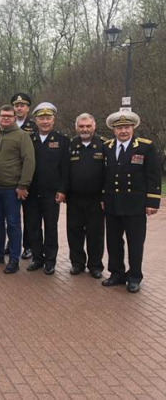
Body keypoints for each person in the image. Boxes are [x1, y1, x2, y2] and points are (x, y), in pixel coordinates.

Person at [101, 111, 161, 293]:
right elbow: (104, 176)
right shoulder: (107, 147)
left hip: (135, 204)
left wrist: (152, 201)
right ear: (113, 130)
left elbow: (153, 175)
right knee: (113, 242)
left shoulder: (145, 147)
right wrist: (103, 198)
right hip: (112, 202)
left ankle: (134, 277)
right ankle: (116, 273)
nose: (123, 131)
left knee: (135, 243)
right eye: (119, 128)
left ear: (133, 128)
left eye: (127, 127)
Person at [0, 105, 35, 274]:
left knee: (13, 224)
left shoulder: (22, 136)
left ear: (14, 118)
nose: (6, 118)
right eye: (3, 115)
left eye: (9, 116)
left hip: (11, 188)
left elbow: (29, 161)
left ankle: (14, 259)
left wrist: (23, 185)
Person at [23, 102, 70, 275]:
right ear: (35, 120)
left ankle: (50, 261)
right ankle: (37, 258)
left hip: (52, 193)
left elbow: (65, 169)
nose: (45, 122)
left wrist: (62, 190)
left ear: (53, 120)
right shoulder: (28, 139)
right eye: (41, 118)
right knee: (33, 227)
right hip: (31, 192)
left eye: (48, 118)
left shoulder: (62, 140)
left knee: (51, 228)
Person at [66, 113, 105, 278]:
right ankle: (77, 263)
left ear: (94, 126)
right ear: (76, 127)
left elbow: (109, 173)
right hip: (74, 198)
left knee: (95, 233)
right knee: (74, 231)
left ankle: (95, 265)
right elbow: (65, 171)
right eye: (81, 126)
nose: (85, 129)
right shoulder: (70, 145)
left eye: (88, 126)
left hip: (96, 199)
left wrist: (105, 196)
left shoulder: (104, 145)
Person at [10, 92, 37, 260]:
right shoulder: (7, 124)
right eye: (16, 105)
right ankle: (12, 243)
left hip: (27, 177)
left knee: (29, 214)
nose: (19, 108)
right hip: (10, 176)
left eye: (22, 105)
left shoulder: (34, 127)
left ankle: (28, 246)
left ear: (28, 108)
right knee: (10, 215)